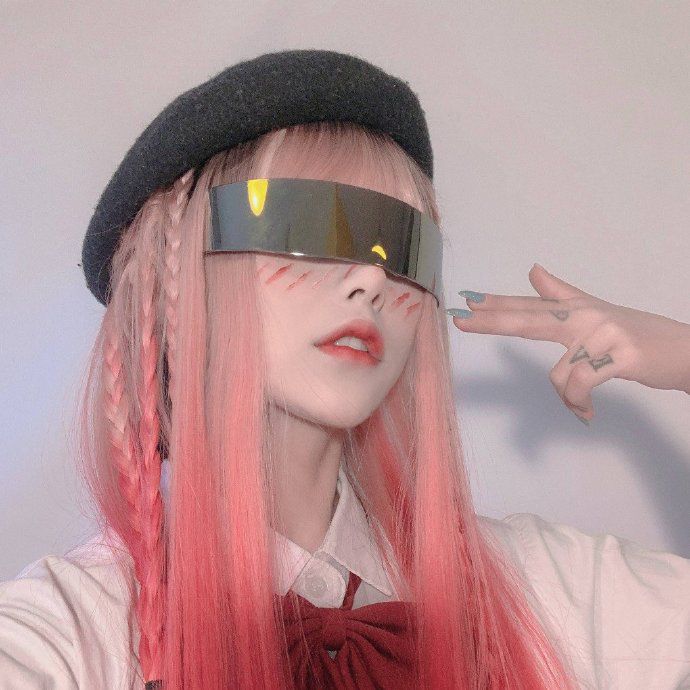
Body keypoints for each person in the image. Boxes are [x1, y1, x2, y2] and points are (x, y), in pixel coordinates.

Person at [0, 49, 688, 690]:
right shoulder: (74, 631)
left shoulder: (541, 591)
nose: (371, 277)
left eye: (403, 245)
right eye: (306, 223)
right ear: (174, 275)